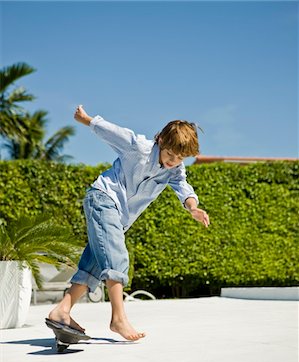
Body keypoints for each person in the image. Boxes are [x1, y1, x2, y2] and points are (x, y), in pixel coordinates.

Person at [48, 105, 210, 341]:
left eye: (179, 158)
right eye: (170, 155)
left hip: (118, 216)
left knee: (93, 264)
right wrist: (86, 120)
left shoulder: (175, 169)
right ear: (161, 141)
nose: (173, 162)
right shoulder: (139, 147)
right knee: (117, 255)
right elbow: (112, 131)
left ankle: (61, 310)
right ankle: (118, 319)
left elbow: (183, 187)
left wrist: (193, 207)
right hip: (103, 198)